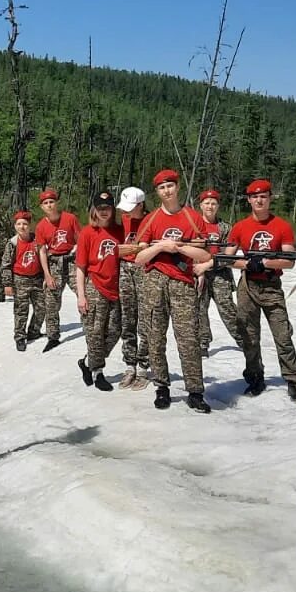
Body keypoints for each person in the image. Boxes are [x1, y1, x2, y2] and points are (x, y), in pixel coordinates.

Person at [133, 170, 214, 413]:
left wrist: (179, 248)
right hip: (154, 281)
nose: (166, 191)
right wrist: (161, 247)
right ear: (157, 192)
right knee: (155, 336)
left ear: (177, 187)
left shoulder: (193, 218)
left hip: (182, 282)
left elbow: (205, 254)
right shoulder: (151, 220)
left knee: (188, 338)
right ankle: (161, 386)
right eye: (161, 188)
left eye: (170, 186)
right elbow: (139, 257)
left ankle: (195, 391)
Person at [224, 179, 296, 401]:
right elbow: (227, 258)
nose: (259, 200)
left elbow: (289, 260)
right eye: (255, 197)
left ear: (270, 198)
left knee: (282, 335)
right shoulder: (240, 227)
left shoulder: (282, 226)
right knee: (249, 335)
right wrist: (247, 264)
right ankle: (255, 376)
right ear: (249, 200)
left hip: (271, 286)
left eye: (263, 196)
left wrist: (265, 263)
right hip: (247, 286)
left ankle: (294, 379)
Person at [74, 190, 121, 392]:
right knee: (95, 332)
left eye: (107, 207)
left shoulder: (119, 231)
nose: (104, 211)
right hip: (95, 285)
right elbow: (80, 267)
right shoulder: (87, 233)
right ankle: (98, 372)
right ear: (94, 209)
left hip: (115, 288)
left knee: (114, 331)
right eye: (100, 208)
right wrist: (81, 295)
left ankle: (87, 361)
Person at [194, 188, 250, 358]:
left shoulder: (225, 227)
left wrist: (211, 264)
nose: (210, 206)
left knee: (227, 308)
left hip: (220, 274)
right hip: (198, 273)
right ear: (201, 205)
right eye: (206, 203)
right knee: (199, 308)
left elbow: (228, 255)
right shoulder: (194, 226)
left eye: (213, 203)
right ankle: (202, 343)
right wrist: (199, 269)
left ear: (218, 206)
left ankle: (244, 340)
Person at [34, 188, 80, 352]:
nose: (49, 205)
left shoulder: (70, 218)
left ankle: (92, 329)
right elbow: (42, 251)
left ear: (57, 203)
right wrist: (47, 274)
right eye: (45, 203)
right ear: (42, 207)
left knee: (84, 293)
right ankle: (53, 336)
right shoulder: (41, 226)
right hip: (54, 263)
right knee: (51, 301)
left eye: (51, 202)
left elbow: (80, 239)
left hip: (71, 260)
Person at [115, 186, 150, 387]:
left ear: (141, 205)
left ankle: (144, 366)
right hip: (125, 269)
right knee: (127, 319)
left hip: (145, 270)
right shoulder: (123, 219)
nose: (126, 211)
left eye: (131, 207)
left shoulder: (151, 220)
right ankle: (130, 364)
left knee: (145, 320)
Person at [1, 211, 46, 352]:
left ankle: (34, 331)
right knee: (21, 310)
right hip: (20, 280)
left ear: (30, 225)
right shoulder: (12, 243)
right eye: (19, 224)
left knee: (41, 307)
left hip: (37, 279)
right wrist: (7, 284)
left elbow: (45, 258)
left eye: (25, 224)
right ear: (15, 226)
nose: (22, 227)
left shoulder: (37, 240)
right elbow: (6, 265)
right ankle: (20, 336)